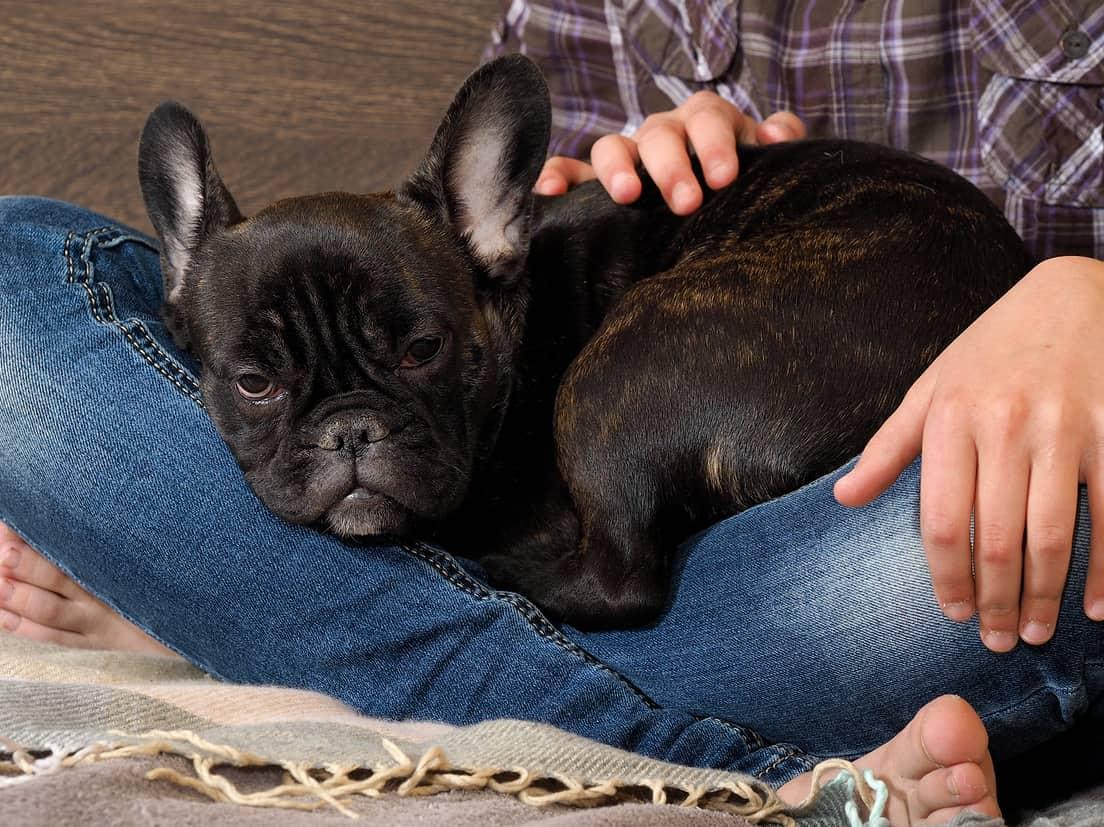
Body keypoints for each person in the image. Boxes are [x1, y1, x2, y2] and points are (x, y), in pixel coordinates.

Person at [0, 2, 1101, 823]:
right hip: (729, 570)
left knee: (1068, 525)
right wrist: (625, 154)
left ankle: (249, 608)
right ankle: (742, 769)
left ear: (489, 256)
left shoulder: (549, 330)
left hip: (980, 481)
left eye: (417, 356)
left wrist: (1082, 290)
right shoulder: (577, 69)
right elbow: (557, 169)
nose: (348, 437)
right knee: (14, 268)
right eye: (263, 382)